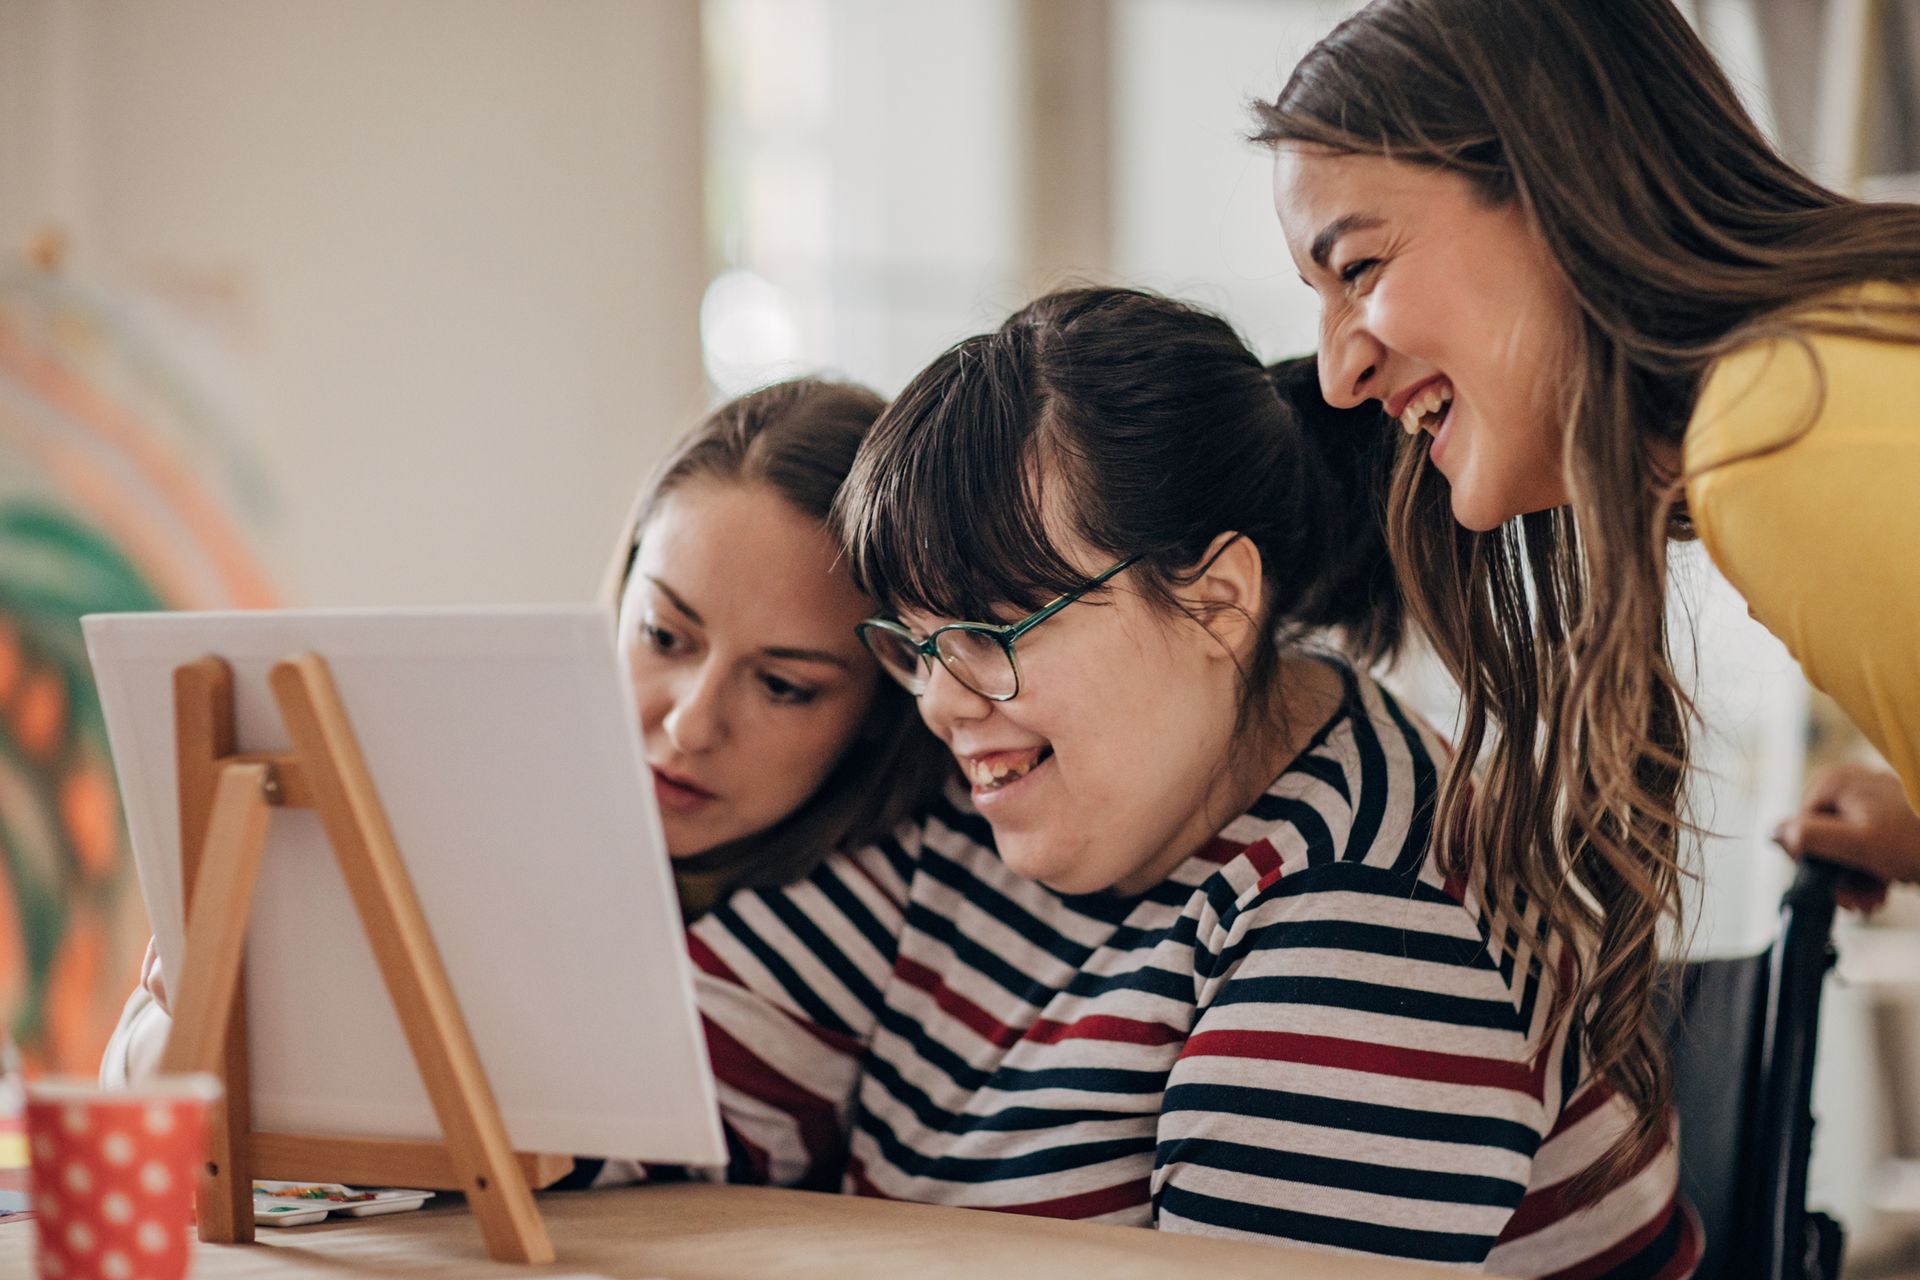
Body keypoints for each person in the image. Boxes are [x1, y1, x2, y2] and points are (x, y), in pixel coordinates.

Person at [582, 288, 1695, 1275]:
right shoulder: (977, 808)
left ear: (1217, 601)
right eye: (916, 642)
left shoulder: (1373, 921)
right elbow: (620, 1104)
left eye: (993, 629)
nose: (941, 699)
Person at [1253, 0, 1920, 1221]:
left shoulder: (1777, 431)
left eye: (1360, 268)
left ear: (1559, 184)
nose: (1341, 367)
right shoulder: (1818, 373)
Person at [102, 377, 953, 1081]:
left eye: (782, 685)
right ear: (617, 595)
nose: (691, 724)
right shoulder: (496, 800)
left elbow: (536, 1136)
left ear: (879, 709)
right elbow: (141, 1086)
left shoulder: (866, 905)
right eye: (663, 635)